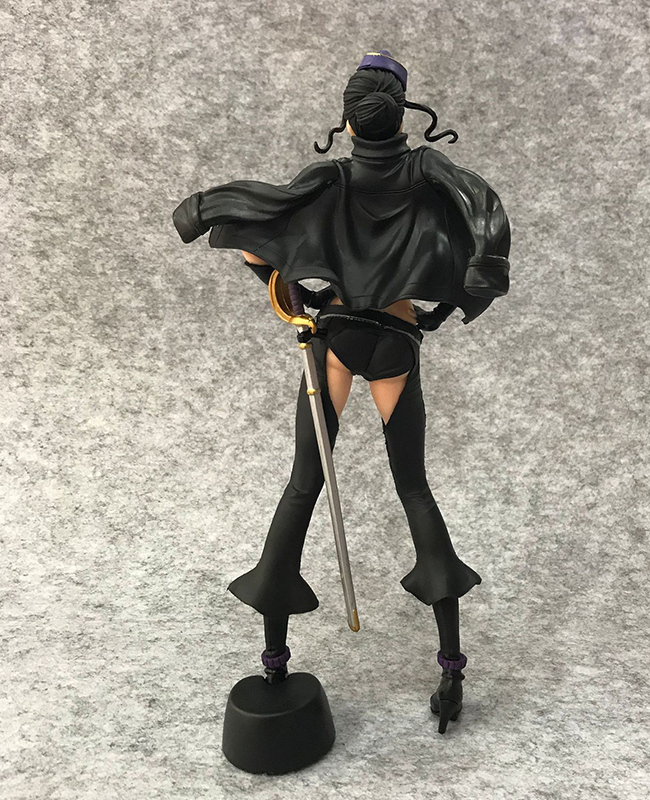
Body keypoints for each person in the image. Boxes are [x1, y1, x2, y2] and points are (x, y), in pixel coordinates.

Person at [172, 49, 511, 734]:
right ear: (403, 116)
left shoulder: (329, 177)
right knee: (413, 488)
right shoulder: (428, 170)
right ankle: (451, 667)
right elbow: (482, 211)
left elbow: (257, 247)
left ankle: (274, 661)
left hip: (333, 339)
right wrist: (452, 302)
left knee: (304, 485)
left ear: (349, 123)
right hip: (395, 341)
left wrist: (293, 293)